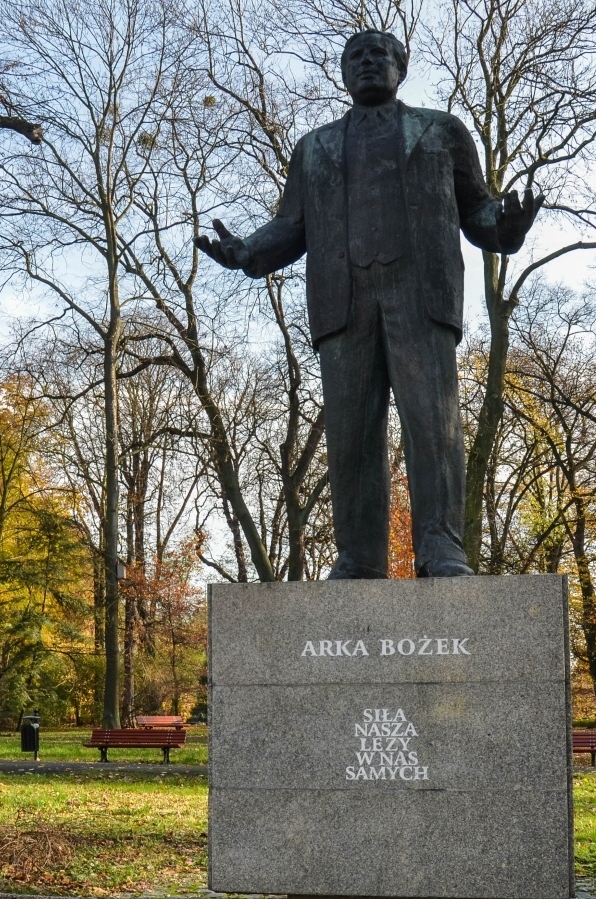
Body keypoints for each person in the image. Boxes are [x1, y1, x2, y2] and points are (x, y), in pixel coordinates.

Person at [196, 30, 542, 578]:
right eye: (354, 57)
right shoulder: (314, 148)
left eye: (378, 54)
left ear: (400, 67)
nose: (366, 63)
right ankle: (358, 558)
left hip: (421, 294)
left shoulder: (442, 131)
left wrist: (506, 226)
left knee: (434, 425)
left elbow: (477, 210)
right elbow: (291, 225)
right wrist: (247, 252)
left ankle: (441, 547)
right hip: (343, 301)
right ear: (342, 74)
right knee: (351, 434)